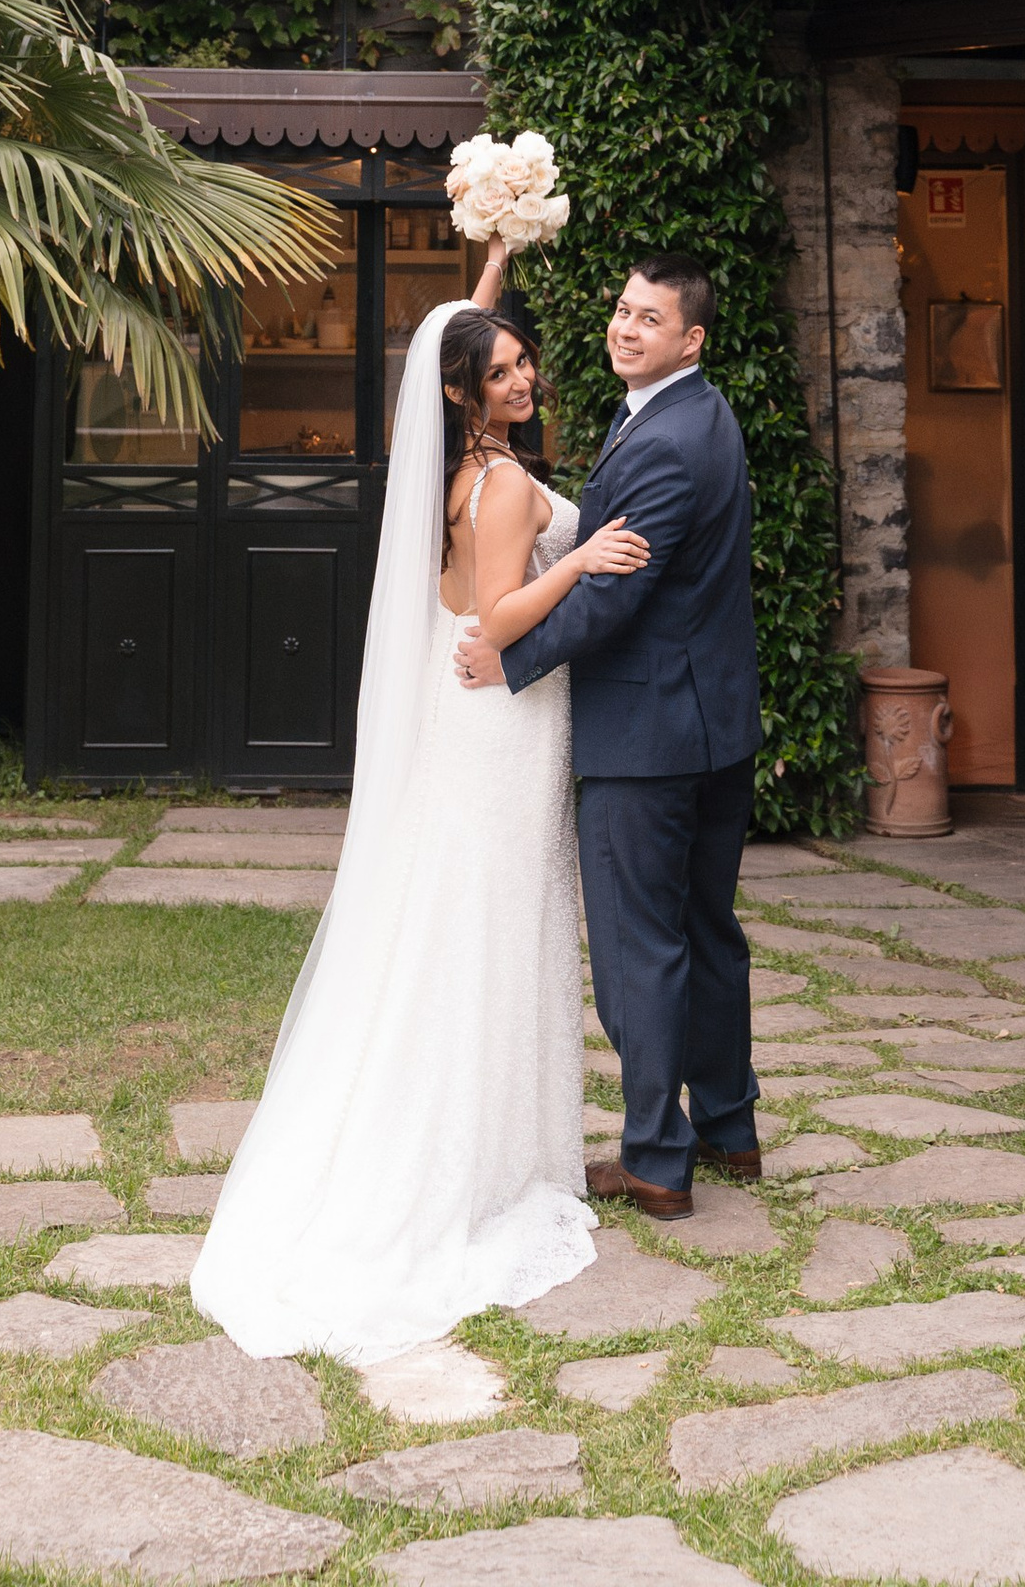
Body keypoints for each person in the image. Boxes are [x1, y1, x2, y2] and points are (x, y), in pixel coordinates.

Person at [191, 252, 651, 1363]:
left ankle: (502, 1141)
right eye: (503, 371)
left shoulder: (453, 454)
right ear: (465, 392)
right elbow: (494, 620)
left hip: (478, 722)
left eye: (524, 361)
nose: (524, 375)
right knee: (486, 923)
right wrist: (580, 557)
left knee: (461, 914)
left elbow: (454, 343)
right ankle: (474, 1164)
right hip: (495, 716)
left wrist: (493, 251)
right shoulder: (494, 485)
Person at [456, 254, 762, 1220]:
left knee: (642, 950)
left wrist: (513, 661)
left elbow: (612, 598)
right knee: (707, 933)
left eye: (650, 318)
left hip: (649, 735)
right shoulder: (694, 416)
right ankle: (728, 1127)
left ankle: (656, 1162)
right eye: (622, 311)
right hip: (712, 725)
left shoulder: (668, 440)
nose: (627, 328)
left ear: (691, 339)